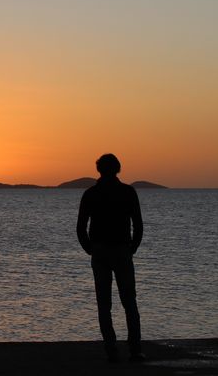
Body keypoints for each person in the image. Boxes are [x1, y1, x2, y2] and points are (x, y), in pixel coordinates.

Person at [77, 153, 144, 362]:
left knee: (104, 303)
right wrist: (132, 247)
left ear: (99, 170)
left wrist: (90, 248)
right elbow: (138, 224)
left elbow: (81, 227)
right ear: (118, 169)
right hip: (122, 249)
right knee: (129, 301)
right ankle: (134, 349)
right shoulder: (127, 192)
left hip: (100, 251)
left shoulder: (91, 194)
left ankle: (111, 349)